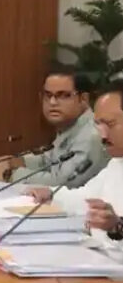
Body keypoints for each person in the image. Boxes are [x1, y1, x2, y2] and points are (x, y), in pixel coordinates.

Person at [28, 80, 123, 256]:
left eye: (110, 124)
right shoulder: (117, 164)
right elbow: (86, 199)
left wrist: (117, 226)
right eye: (98, 124)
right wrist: (51, 195)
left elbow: (115, 226)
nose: (102, 135)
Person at [0, 66, 109, 187]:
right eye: (48, 95)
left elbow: (63, 183)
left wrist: (9, 174)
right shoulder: (70, 127)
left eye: (63, 95)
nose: (52, 102)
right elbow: (49, 161)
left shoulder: (92, 136)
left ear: (83, 99)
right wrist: (15, 162)